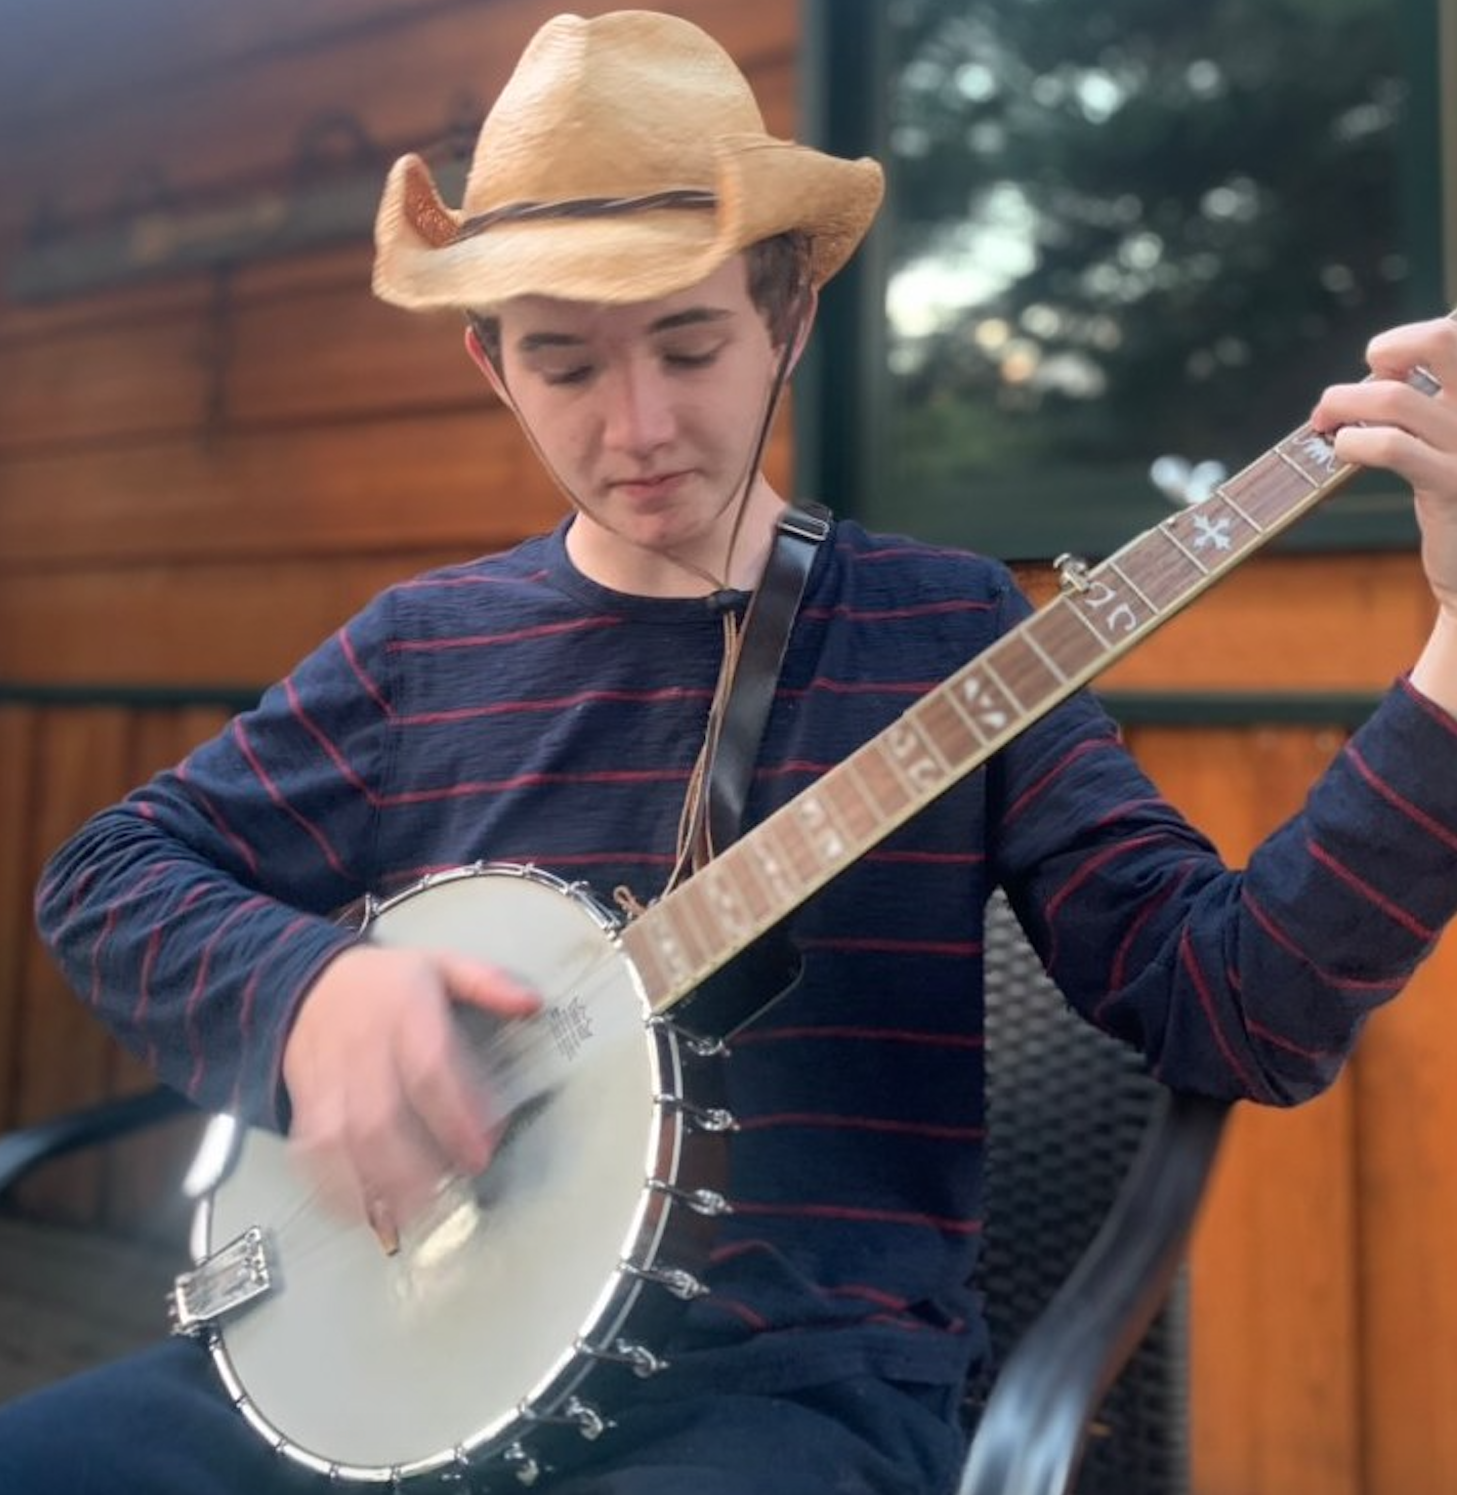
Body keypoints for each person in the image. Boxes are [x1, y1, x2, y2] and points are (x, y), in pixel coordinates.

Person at [5, 10, 1457, 1495]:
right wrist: (310, 991)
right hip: (376, 1361)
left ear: (789, 312)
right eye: (564, 364)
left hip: (775, 1398)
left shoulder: (948, 629)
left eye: (689, 344)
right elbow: (108, 873)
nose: (638, 426)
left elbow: (1239, 1005)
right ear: (490, 362)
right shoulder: (417, 650)